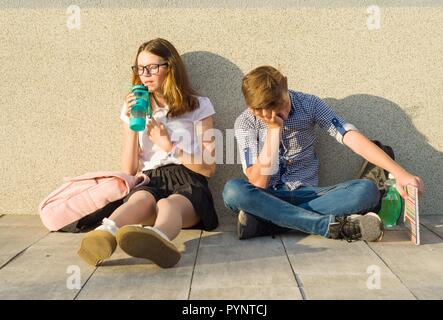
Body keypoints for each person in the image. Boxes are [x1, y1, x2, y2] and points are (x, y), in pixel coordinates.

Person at [222, 65, 424, 242]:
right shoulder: (246, 122)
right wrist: (274, 131)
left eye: (281, 105)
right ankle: (327, 226)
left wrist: (400, 173)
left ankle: (266, 223)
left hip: (310, 195)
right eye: (267, 111)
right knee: (233, 191)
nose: (280, 115)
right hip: (267, 196)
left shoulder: (309, 104)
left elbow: (349, 136)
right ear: (253, 108)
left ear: (285, 84)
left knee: (367, 191)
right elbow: (258, 184)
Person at [78, 38, 218, 268]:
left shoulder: (199, 105)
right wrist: (133, 122)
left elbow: (210, 168)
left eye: (152, 67)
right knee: (141, 198)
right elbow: (129, 170)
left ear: (170, 68)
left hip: (189, 179)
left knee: (169, 205)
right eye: (140, 68)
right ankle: (105, 234)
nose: (145, 74)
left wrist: (169, 146)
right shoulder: (134, 108)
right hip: (151, 177)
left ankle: (159, 239)